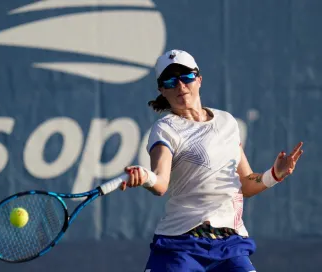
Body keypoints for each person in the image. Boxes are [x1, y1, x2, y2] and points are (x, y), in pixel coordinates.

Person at [119, 49, 304, 272]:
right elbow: (160, 183)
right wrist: (145, 177)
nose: (180, 86)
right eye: (170, 81)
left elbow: (245, 182)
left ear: (199, 79)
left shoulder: (227, 122)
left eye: (186, 77)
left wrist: (274, 175)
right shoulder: (165, 129)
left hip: (230, 244)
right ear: (162, 89)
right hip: (181, 245)